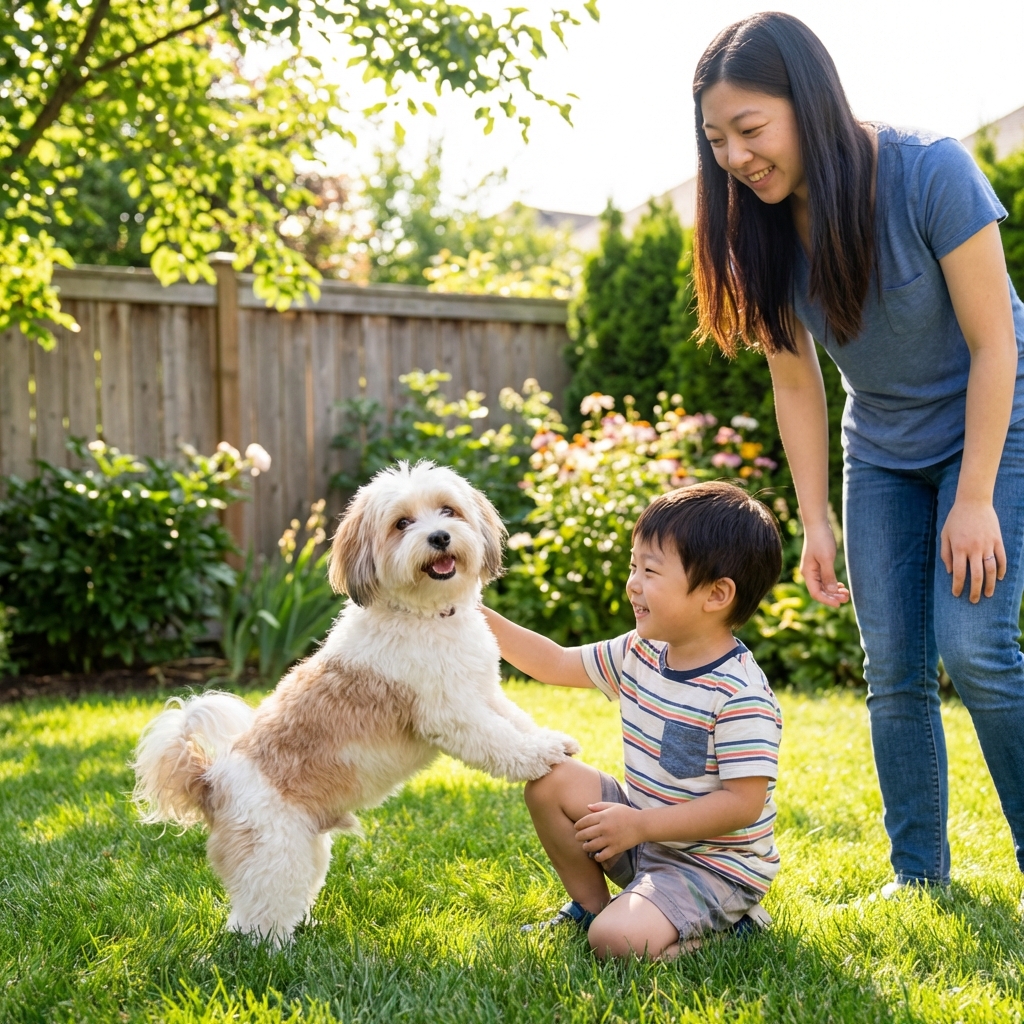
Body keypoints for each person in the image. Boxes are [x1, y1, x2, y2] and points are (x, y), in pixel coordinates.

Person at [691, 13, 1024, 898]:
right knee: (895, 668)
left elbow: (998, 347)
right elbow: (797, 384)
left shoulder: (929, 170)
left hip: (994, 426)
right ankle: (918, 877)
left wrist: (977, 497)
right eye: (717, 139)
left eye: (751, 129)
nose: (735, 156)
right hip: (880, 446)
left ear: (809, 101)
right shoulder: (756, 227)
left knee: (976, 646)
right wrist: (815, 517)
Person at [483, 482, 783, 958]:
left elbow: (742, 806)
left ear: (716, 594)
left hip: (712, 866)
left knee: (615, 945)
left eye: (651, 570)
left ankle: (732, 927)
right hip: (645, 837)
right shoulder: (639, 651)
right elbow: (555, 663)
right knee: (548, 782)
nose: (633, 583)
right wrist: (470, 616)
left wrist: (641, 827)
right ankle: (591, 906)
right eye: (633, 566)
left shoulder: (739, 693)